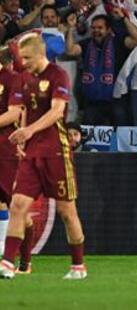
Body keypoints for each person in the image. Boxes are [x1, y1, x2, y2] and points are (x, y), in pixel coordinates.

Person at [1, 34, 86, 280]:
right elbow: (25, 110)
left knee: (67, 212)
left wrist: (29, 130)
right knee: (17, 205)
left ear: (40, 54)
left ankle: (78, 265)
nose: (23, 62)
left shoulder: (58, 75)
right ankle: (7, 263)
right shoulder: (25, 79)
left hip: (56, 152)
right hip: (31, 154)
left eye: (27, 58)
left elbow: (57, 112)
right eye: (21, 58)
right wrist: (23, 137)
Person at [0, 47, 21, 257]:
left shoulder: (10, 79)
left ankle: (18, 256)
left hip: (4, 145)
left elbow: (14, 114)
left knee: (10, 199)